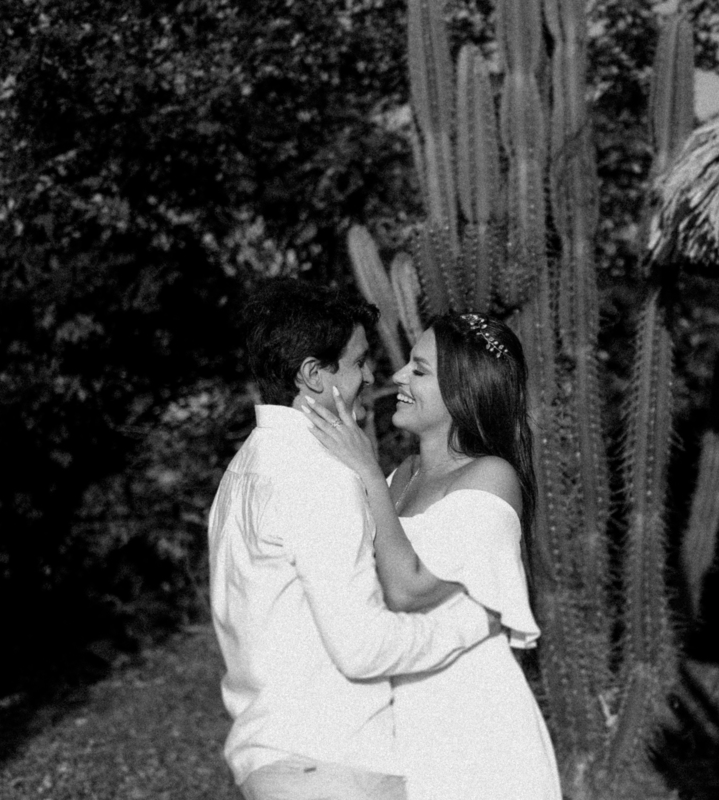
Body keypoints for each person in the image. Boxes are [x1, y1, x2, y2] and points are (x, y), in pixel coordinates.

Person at [207, 279, 500, 800]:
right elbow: (364, 648)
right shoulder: (316, 475)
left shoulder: (242, 471)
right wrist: (474, 620)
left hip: (275, 761)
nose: (371, 376)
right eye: (358, 362)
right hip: (336, 763)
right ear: (313, 375)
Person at [303, 311, 563, 800]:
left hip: (473, 726)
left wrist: (365, 469)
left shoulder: (491, 477)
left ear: (463, 391)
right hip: (404, 721)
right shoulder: (400, 477)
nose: (398, 375)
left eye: (419, 370)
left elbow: (406, 588)